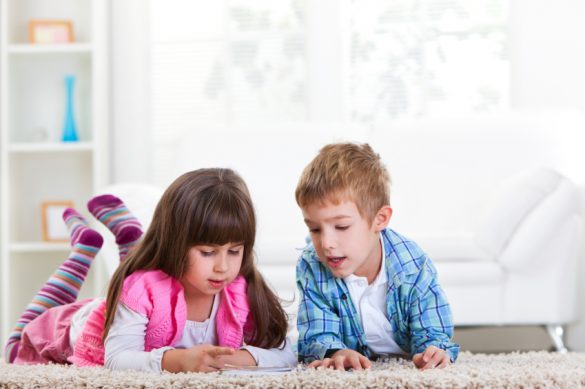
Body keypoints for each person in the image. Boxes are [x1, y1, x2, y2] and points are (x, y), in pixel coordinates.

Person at [5, 168, 297, 373]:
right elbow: (117, 359)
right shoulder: (142, 288)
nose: (223, 266)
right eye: (208, 252)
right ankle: (82, 252)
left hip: (128, 309)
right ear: (176, 243)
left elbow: (288, 349)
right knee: (17, 344)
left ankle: (130, 243)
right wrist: (175, 361)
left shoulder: (239, 291)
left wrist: (246, 358)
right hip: (69, 327)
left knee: (137, 281)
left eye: (235, 251)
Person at [295, 143, 459, 371]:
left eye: (341, 226)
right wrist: (336, 352)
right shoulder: (312, 265)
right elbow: (316, 333)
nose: (326, 243)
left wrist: (432, 351)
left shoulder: (412, 265)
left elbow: (433, 329)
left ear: (379, 219)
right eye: (314, 229)